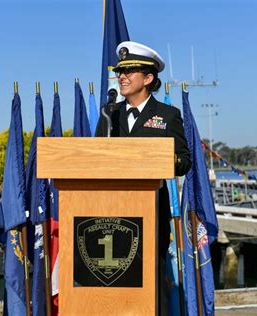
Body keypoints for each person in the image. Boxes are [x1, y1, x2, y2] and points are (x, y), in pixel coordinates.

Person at [95, 41, 191, 313]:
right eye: (120, 72)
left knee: (151, 284)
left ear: (148, 78)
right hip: (109, 216)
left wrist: (154, 160)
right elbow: (93, 157)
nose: (121, 77)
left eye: (130, 71)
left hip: (150, 214)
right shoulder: (108, 114)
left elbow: (184, 161)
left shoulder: (167, 116)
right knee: (113, 286)